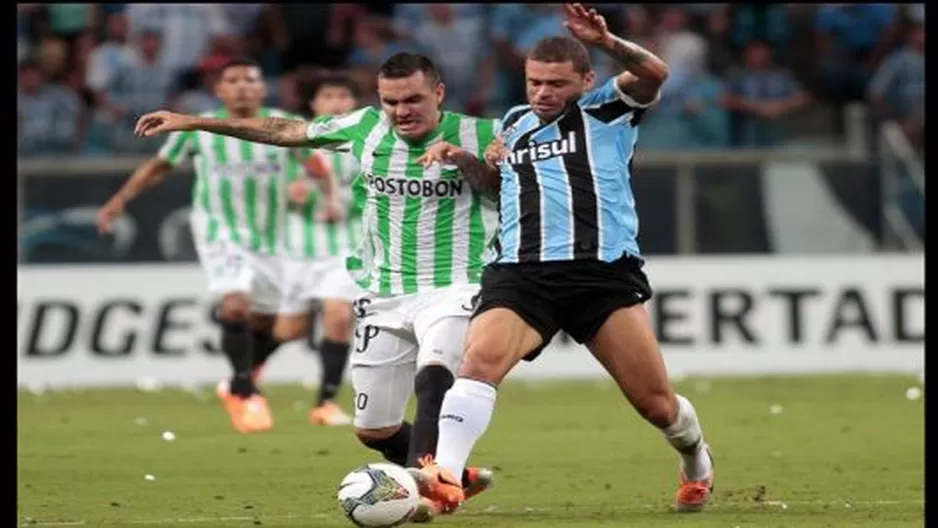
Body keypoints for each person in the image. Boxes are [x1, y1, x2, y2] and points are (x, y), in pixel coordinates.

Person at [133, 52, 498, 521]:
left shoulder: (481, 134)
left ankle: (427, 487)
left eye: (413, 99)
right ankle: (449, 475)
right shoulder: (365, 127)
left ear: (439, 94)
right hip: (384, 289)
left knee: (434, 376)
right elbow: (284, 132)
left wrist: (465, 159)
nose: (402, 110)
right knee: (375, 429)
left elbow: (497, 189)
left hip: (454, 282)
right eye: (391, 101)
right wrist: (194, 122)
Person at [410, 4, 715, 515]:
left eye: (555, 84)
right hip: (521, 272)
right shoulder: (514, 123)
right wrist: (464, 160)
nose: (543, 93)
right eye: (534, 82)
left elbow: (654, 72)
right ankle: (444, 475)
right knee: (478, 362)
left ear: (586, 79)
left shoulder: (607, 109)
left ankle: (696, 459)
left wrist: (610, 41)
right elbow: (496, 191)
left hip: (599, 274)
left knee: (655, 404)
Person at [98, 57, 340, 434]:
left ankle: (237, 380)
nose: (243, 85)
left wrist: (324, 196)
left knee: (280, 326)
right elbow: (159, 166)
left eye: (251, 79)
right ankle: (244, 389)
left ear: (262, 88)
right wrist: (120, 199)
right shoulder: (198, 128)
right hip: (219, 230)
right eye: (234, 80)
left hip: (270, 238)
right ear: (219, 89)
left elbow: (317, 167)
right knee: (235, 303)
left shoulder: (280, 124)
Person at [274, 73, 363, 426]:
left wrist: (338, 201)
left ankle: (324, 402)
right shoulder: (293, 142)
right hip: (297, 249)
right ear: (314, 104)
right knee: (287, 331)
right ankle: (243, 377)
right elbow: (268, 189)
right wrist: (291, 194)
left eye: (344, 96)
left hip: (345, 246)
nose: (337, 103)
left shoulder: (365, 144)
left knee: (339, 316)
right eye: (329, 96)